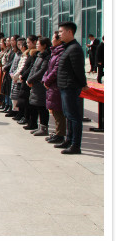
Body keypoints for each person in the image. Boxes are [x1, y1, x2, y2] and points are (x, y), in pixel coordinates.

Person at [55, 21, 89, 155]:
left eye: (61, 31)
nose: (59, 34)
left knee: (74, 116)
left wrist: (83, 84)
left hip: (70, 87)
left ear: (70, 32)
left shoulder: (74, 48)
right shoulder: (68, 47)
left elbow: (79, 70)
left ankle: (75, 145)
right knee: (68, 115)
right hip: (65, 86)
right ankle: (68, 140)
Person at [26, 36, 52, 135]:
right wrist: (29, 79)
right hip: (35, 84)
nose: (36, 45)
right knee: (36, 105)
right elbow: (33, 69)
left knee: (42, 107)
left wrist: (31, 79)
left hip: (40, 85)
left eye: (38, 44)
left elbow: (42, 71)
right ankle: (38, 126)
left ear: (44, 45)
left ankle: (44, 128)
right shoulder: (39, 55)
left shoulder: (47, 56)